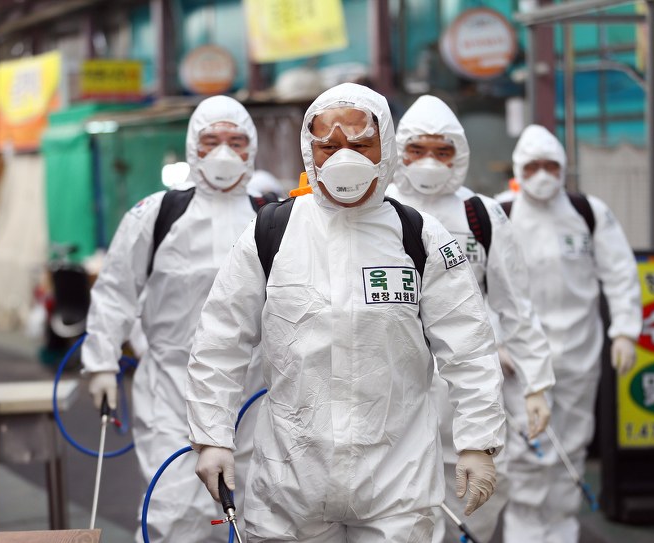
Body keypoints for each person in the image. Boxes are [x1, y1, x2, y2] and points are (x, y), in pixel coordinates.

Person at [185, 83, 505, 542]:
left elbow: (469, 346)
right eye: (329, 147)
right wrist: (212, 436)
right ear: (309, 152)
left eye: (360, 145)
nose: (344, 159)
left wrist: (478, 441)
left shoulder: (420, 236)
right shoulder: (272, 231)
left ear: (385, 148)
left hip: (397, 481)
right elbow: (220, 339)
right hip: (291, 481)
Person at [81, 95, 264, 543]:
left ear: (252, 147)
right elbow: (116, 288)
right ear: (192, 146)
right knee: (175, 508)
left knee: (257, 512)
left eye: (236, 141)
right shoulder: (158, 214)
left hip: (255, 391)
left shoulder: (272, 216)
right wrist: (101, 361)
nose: (224, 152)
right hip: (172, 387)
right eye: (211, 141)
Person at [386, 95, 555, 543]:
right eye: (417, 149)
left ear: (459, 155)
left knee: (476, 500)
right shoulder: (376, 209)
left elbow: (516, 305)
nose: (429, 161)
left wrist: (536, 383)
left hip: (468, 388)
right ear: (398, 151)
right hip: (390, 388)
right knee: (399, 509)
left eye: (442, 151)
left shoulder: (481, 214)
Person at [501, 124, 641, 543]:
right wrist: (495, 343)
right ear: (518, 169)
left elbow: (620, 272)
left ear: (563, 168)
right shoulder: (499, 214)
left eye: (551, 166)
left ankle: (561, 528)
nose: (542, 175)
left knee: (573, 444)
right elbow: (477, 285)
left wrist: (625, 330)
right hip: (521, 359)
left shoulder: (588, 212)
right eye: (532, 167)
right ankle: (524, 528)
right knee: (527, 446)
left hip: (580, 352)